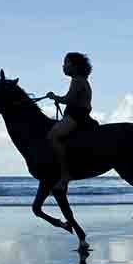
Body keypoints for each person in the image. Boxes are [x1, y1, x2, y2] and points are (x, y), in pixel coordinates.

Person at [46, 52, 95, 189]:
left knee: (53, 137)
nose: (63, 66)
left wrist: (54, 97)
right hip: (77, 114)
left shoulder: (77, 80)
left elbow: (68, 99)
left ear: (75, 66)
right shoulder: (80, 80)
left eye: (66, 63)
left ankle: (65, 175)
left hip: (76, 115)